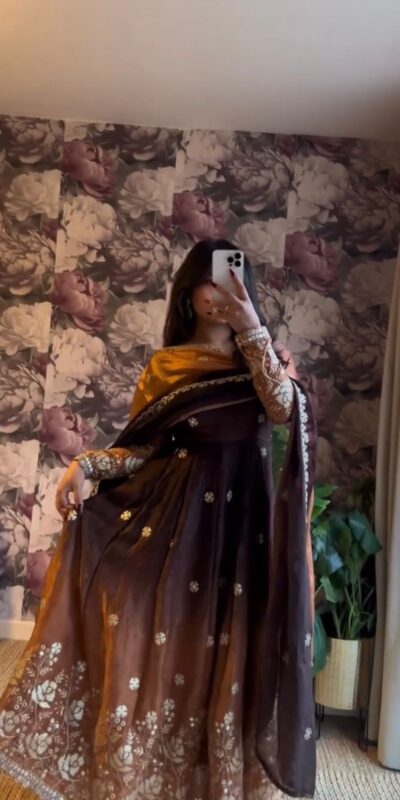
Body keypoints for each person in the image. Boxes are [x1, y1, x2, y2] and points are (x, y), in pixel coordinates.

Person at [0, 239, 316, 800]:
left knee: (229, 649)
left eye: (231, 279)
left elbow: (283, 410)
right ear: (189, 293)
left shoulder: (266, 357)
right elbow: (143, 449)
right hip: (177, 521)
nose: (220, 292)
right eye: (210, 281)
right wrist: (85, 465)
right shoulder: (166, 366)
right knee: (155, 637)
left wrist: (251, 330)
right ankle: (140, 772)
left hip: (242, 532)